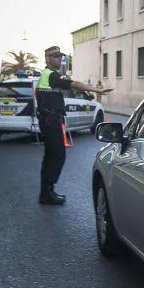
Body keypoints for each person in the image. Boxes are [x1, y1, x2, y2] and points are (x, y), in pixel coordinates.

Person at [36, 46, 113, 205]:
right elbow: (74, 83)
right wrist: (96, 90)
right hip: (51, 121)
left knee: (50, 156)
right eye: (55, 57)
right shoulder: (52, 76)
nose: (59, 59)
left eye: (60, 56)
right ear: (48, 58)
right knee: (58, 155)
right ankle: (47, 192)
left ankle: (46, 192)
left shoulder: (48, 75)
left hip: (48, 120)